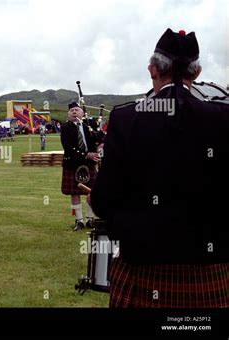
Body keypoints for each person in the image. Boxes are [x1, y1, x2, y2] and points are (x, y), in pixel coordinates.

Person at [90, 28, 229, 307]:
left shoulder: (126, 118)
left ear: (152, 70)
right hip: (210, 272)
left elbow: (103, 201)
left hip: (141, 270)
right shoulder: (223, 118)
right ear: (197, 72)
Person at [60, 102, 99, 231]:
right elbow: (68, 147)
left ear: (82, 113)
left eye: (76, 110)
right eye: (71, 110)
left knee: (91, 192)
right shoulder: (65, 127)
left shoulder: (89, 125)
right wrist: (86, 154)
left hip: (90, 164)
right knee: (74, 193)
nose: (74, 112)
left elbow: (100, 138)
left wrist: (100, 144)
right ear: (68, 114)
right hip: (73, 163)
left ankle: (89, 219)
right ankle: (79, 221)